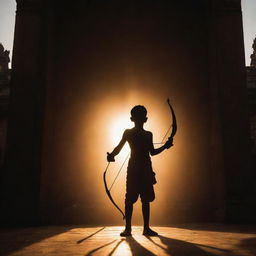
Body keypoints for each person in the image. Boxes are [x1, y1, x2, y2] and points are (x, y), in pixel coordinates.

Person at [107, 105, 173, 236]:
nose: (139, 120)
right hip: (137, 168)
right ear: (145, 119)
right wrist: (112, 155)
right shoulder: (131, 133)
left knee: (143, 199)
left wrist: (165, 146)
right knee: (133, 199)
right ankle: (131, 228)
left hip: (143, 168)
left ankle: (140, 228)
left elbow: (151, 152)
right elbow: (120, 147)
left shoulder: (146, 134)